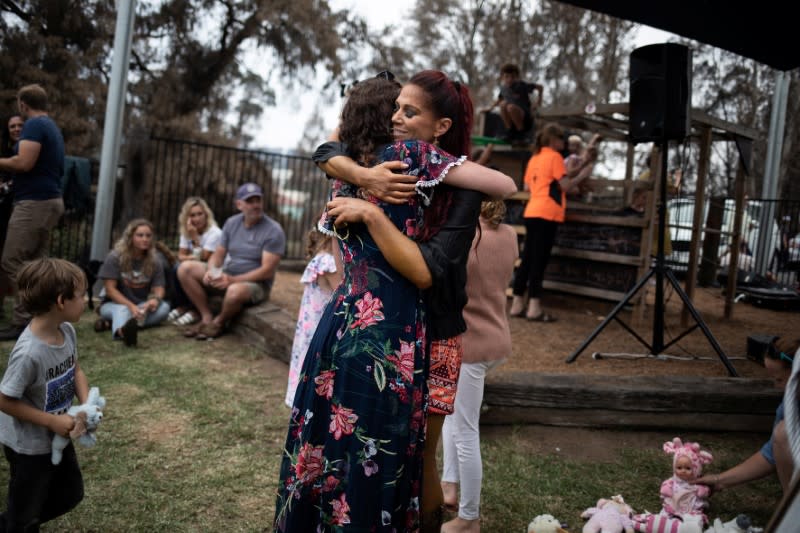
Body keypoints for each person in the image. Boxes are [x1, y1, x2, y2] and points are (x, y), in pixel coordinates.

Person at [275, 75, 515, 532]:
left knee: (353, 445)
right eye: (396, 108)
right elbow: (328, 149)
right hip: (398, 331)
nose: (398, 118)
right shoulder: (387, 163)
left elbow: (434, 265)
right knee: (388, 453)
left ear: (440, 124)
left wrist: (362, 192)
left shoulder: (416, 176)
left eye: (410, 110)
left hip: (412, 329)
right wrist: (363, 177)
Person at [440, 199, 518, 533]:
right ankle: (449, 485)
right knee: (450, 413)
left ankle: (469, 518)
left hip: (471, 345)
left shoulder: (465, 237)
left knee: (465, 431)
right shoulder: (511, 234)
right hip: (497, 338)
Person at [0, 257, 91, 531]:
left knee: (70, 494)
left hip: (57, 436)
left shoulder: (66, 331)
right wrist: (51, 421)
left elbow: (76, 371)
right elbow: (4, 400)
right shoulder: (29, 353)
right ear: (62, 301)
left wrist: (86, 405)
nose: (86, 300)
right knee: (24, 512)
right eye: (82, 295)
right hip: (27, 446)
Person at [509, 122, 596, 322]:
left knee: (527, 259)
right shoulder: (556, 157)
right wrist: (582, 174)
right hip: (548, 213)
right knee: (539, 260)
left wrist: (581, 165)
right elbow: (564, 185)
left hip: (532, 211)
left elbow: (529, 187)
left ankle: (516, 304)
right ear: (554, 140)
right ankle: (534, 308)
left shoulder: (535, 158)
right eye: (561, 139)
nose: (564, 143)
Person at [178, 182, 285, 341]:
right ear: (239, 204)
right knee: (185, 268)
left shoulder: (273, 230)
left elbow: (267, 271)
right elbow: (218, 254)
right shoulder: (231, 223)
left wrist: (232, 280)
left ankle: (218, 323)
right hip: (229, 274)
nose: (255, 205)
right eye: (250, 201)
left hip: (256, 284)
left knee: (234, 290)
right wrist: (212, 270)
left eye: (258, 200)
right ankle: (206, 317)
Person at [0, 85, 65, 341]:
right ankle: (41, 317)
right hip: (48, 200)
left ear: (23, 105)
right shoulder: (51, 126)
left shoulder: (34, 125)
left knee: (12, 261)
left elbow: (24, 163)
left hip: (35, 202)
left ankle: (24, 319)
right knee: (36, 265)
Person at [696, 336, 799, 495]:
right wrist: (719, 480)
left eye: (780, 379)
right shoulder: (788, 404)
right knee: (783, 433)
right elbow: (772, 452)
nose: (777, 386)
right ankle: (792, 508)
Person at [284, 227, 341, 408]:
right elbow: (344, 295)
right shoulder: (327, 262)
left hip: (310, 328)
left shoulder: (322, 259)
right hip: (318, 328)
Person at [95, 219, 171, 347]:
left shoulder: (155, 260)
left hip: (139, 305)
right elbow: (110, 290)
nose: (145, 239)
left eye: (148, 235)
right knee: (124, 310)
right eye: (140, 235)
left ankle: (114, 324)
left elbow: (159, 288)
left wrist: (154, 301)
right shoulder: (114, 257)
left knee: (164, 308)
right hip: (114, 305)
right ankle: (121, 332)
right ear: (130, 237)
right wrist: (131, 306)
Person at [166, 197, 222, 326]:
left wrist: (195, 238)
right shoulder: (187, 231)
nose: (197, 218)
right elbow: (180, 255)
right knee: (176, 267)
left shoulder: (215, 233)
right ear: (187, 217)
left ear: (206, 214)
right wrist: (191, 257)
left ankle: (192, 308)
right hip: (196, 267)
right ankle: (183, 306)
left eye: (200, 214)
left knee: (183, 268)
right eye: (192, 215)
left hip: (216, 269)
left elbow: (204, 258)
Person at [481, 63, 543, 143]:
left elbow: (540, 87)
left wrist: (538, 103)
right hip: (512, 119)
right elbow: (499, 100)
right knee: (503, 104)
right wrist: (489, 108)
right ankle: (509, 131)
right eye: (507, 77)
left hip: (525, 118)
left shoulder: (521, 85)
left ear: (517, 77)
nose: (510, 79)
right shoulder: (504, 88)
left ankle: (521, 134)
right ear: (503, 77)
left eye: (513, 77)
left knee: (510, 107)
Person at [0, 114, 24, 319]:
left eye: (19, 125)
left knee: (11, 260)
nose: (16, 129)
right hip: (3, 210)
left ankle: (24, 308)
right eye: (12, 126)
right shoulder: (6, 153)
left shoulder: (27, 155)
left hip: (18, 210)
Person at [659, 438, 713, 521]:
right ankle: (665, 521)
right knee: (665, 513)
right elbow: (665, 487)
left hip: (690, 505)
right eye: (679, 468)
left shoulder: (696, 482)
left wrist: (702, 491)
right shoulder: (673, 481)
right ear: (674, 466)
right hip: (674, 502)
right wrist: (666, 489)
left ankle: (690, 523)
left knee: (694, 517)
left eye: (688, 468)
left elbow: (703, 491)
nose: (683, 471)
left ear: (696, 469)